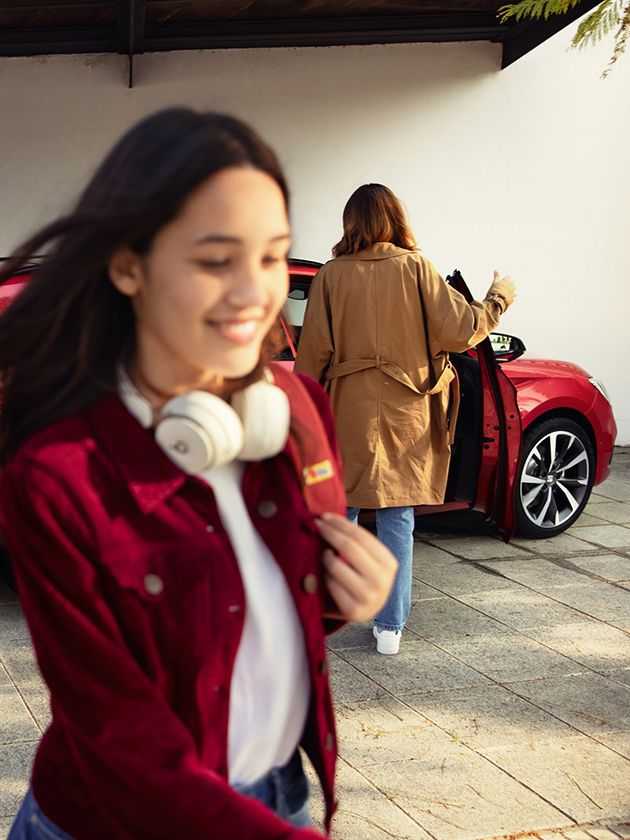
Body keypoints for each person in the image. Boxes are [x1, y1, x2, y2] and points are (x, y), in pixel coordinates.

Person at [0, 111, 397, 840]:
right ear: (128, 265)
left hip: (278, 795)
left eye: (274, 257)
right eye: (217, 261)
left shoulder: (298, 408)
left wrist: (348, 597)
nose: (255, 293)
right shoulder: (57, 479)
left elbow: (269, 606)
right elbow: (122, 743)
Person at [294, 183, 516, 656]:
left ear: (350, 222)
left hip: (346, 408)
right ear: (396, 218)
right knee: (397, 516)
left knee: (338, 514)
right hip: (406, 412)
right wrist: (498, 297)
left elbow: (312, 355)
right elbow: (461, 330)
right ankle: (389, 628)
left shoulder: (332, 275)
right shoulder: (417, 268)